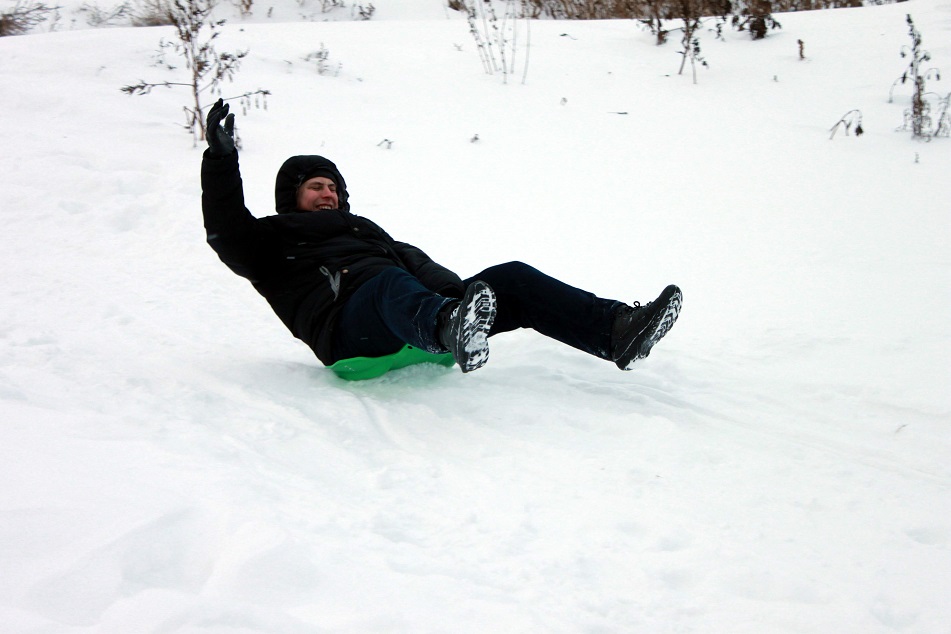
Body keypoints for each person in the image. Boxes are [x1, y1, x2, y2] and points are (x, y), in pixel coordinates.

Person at [200, 99, 682, 375]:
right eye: (315, 187)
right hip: (351, 341)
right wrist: (221, 161)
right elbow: (226, 231)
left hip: (424, 325)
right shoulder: (272, 240)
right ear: (292, 197)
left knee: (511, 278)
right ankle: (448, 326)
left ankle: (617, 332)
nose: (327, 194)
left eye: (332, 188)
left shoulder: (368, 233)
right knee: (386, 284)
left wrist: (460, 297)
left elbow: (420, 267)